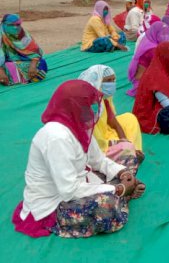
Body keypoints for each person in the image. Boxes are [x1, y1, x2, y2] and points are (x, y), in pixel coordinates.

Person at [11, 80, 146, 238]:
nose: (94, 110)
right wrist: (118, 189)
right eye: (89, 105)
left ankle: (122, 192)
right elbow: (69, 190)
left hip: (83, 181)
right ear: (74, 107)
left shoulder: (80, 125)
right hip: (56, 202)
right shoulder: (56, 138)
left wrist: (123, 173)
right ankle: (122, 195)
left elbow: (99, 161)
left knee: (127, 153)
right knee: (106, 206)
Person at [78, 65, 143, 159]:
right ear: (97, 81)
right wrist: (122, 143)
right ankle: (125, 153)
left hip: (106, 132)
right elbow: (92, 138)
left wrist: (124, 140)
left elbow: (113, 122)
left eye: (113, 80)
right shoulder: (87, 104)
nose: (112, 84)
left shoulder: (105, 97)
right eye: (108, 80)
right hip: (94, 141)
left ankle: (129, 151)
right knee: (101, 149)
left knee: (130, 118)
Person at [126, 21, 169, 96]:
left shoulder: (149, 41)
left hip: (140, 80)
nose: (165, 37)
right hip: (143, 85)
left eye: (166, 34)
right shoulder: (153, 49)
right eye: (162, 34)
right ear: (155, 33)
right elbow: (161, 69)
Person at [0, 14, 47, 86]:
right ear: (4, 24)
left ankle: (14, 77)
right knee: (8, 67)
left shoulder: (23, 34)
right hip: (3, 65)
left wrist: (33, 64)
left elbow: (35, 52)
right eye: (11, 25)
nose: (15, 27)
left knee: (42, 64)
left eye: (18, 24)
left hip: (18, 62)